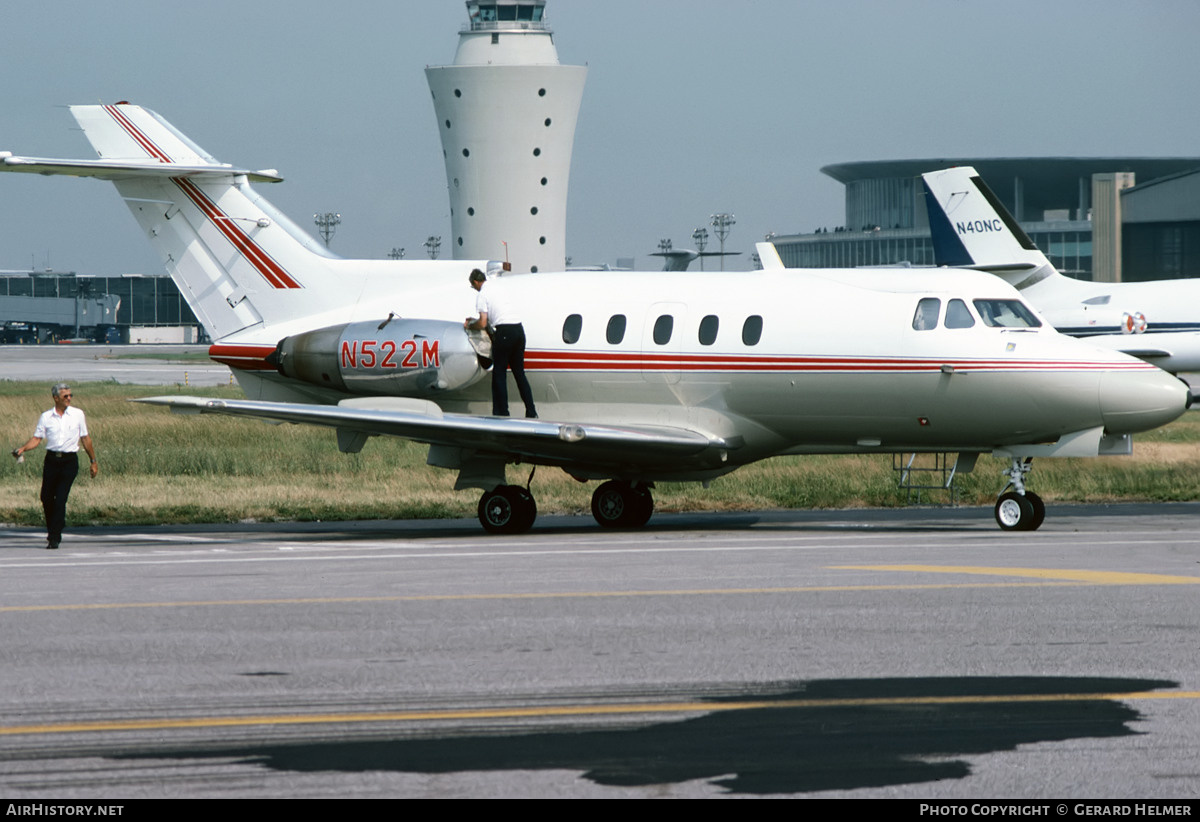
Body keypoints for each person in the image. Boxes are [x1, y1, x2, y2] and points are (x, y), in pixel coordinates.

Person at [12, 383, 98, 549]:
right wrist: (23, 448)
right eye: (65, 396)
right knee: (46, 497)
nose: (69, 398)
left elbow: (86, 439)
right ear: (55, 398)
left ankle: (54, 536)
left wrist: (93, 461)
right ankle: (56, 526)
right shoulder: (46, 417)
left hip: (69, 461)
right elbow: (36, 439)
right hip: (51, 460)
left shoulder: (78, 414)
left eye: (70, 395)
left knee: (60, 498)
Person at [464, 268, 537, 418]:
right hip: (518, 330)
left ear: (476, 282)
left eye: (473, 286)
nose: (475, 289)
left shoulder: (482, 294)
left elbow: (483, 323)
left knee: (499, 373)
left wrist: (470, 325)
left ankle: (502, 412)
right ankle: (531, 411)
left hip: (504, 332)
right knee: (519, 374)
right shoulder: (497, 287)